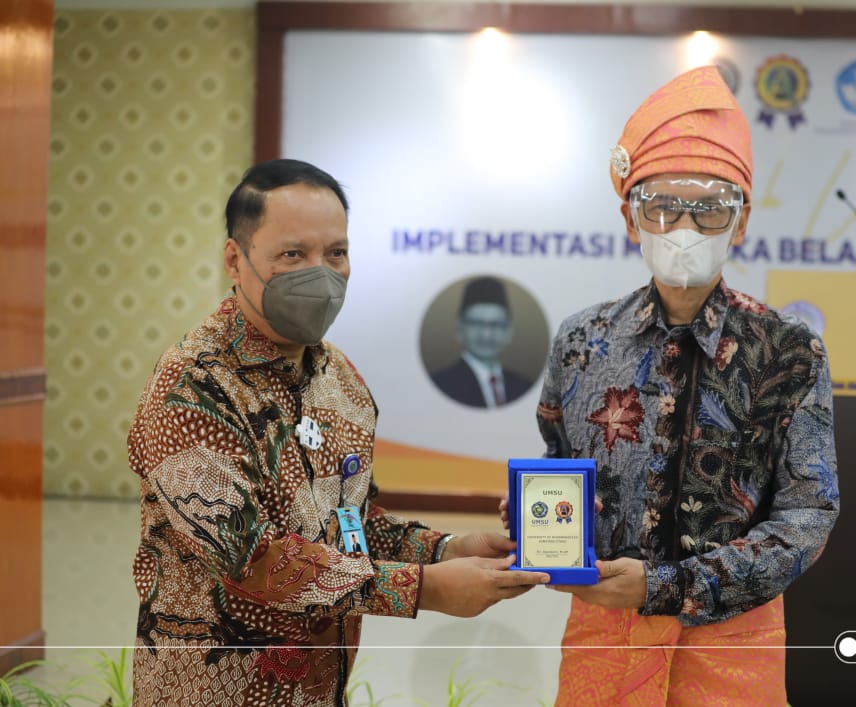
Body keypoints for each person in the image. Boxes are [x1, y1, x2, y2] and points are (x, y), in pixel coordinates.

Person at [128, 159, 549, 706]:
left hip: (321, 687)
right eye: (292, 255)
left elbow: (349, 525)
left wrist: (444, 550)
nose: (321, 274)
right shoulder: (193, 386)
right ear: (235, 259)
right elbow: (251, 560)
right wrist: (423, 589)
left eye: (336, 253)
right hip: (210, 688)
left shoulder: (340, 379)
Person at [503, 65, 839, 705]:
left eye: (710, 209)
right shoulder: (582, 341)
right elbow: (558, 463)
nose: (683, 227)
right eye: (660, 205)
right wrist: (535, 516)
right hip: (605, 635)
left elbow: (808, 516)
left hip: (731, 646)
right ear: (631, 219)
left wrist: (669, 588)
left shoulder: (788, 351)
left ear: (741, 221)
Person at [429, 275, 532, 408]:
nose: (486, 335)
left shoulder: (524, 386)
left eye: (496, 324)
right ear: (460, 329)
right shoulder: (441, 385)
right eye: (476, 324)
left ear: (509, 331)